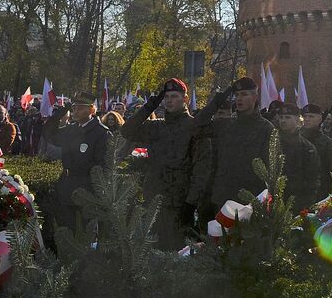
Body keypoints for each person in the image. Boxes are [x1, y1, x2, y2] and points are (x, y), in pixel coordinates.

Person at [121, 79, 211, 249]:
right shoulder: (157, 127)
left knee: (178, 252)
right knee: (152, 250)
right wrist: (148, 108)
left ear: (185, 99)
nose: (169, 100)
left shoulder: (195, 127)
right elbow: (127, 131)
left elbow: (201, 169)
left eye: (174, 96)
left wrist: (190, 204)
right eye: (166, 97)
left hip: (180, 202)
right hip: (154, 197)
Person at [194, 77, 275, 226]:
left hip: (250, 200)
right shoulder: (225, 125)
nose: (239, 99)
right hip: (223, 198)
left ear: (255, 97)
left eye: (244, 94)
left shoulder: (266, 129)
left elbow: (270, 169)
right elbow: (196, 126)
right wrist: (219, 99)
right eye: (236, 95)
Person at [42, 92, 112, 230]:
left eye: (80, 108)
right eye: (74, 108)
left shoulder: (101, 133)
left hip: (86, 190)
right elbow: (47, 131)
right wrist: (64, 109)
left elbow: (101, 166)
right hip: (67, 186)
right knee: (67, 230)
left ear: (91, 110)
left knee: (87, 232)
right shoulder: (72, 129)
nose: (75, 111)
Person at [276, 103, 321, 210]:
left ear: (297, 120)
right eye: (281, 117)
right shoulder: (272, 143)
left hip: (297, 203)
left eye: (287, 117)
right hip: (272, 201)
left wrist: (304, 205)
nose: (283, 120)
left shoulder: (307, 147)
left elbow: (313, 180)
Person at [300, 104, 332, 199]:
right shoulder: (295, 139)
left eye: (311, 116)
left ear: (319, 119)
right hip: (296, 191)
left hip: (320, 192)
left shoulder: (327, 143)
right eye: (305, 116)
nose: (307, 119)